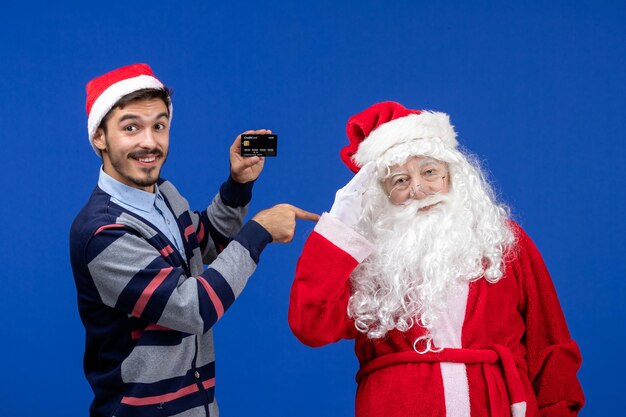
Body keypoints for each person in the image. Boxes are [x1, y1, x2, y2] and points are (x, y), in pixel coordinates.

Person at [288, 101, 584, 417]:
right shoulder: (366, 255)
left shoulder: (503, 239)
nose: (418, 188)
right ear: (381, 194)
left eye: (429, 171)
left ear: (452, 174)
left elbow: (550, 344)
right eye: (399, 180)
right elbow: (310, 325)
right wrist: (340, 226)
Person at [70, 63, 318, 417]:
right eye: (131, 128)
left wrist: (238, 185)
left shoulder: (165, 195)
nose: (149, 142)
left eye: (159, 125)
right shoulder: (102, 232)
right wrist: (259, 231)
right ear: (99, 137)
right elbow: (193, 308)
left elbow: (206, 247)